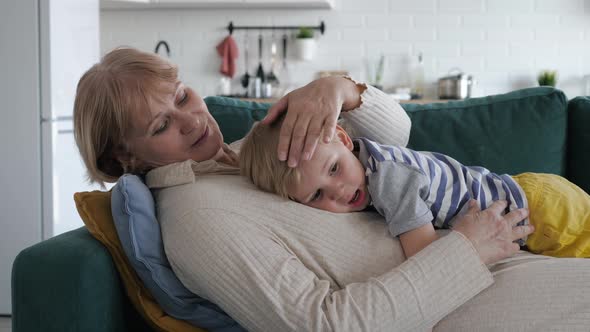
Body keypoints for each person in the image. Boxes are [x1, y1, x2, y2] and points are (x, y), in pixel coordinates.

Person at [72, 47, 587, 332]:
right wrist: (466, 252)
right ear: (126, 158)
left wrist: (340, 90)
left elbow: (393, 140)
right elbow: (324, 326)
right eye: (162, 125)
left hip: (485, 263)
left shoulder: (246, 150)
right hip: (461, 300)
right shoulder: (196, 218)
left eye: (182, 95)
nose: (191, 119)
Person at [240, 118, 590, 259]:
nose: (339, 191)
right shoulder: (369, 157)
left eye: (334, 169)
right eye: (316, 195)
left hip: (539, 210)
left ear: (345, 139)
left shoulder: (390, 181)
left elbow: (425, 252)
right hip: (534, 192)